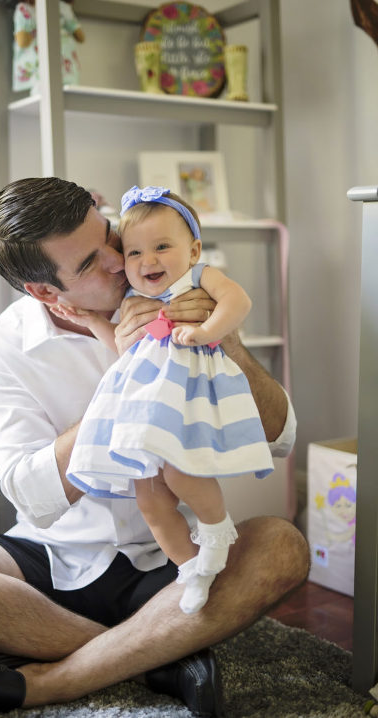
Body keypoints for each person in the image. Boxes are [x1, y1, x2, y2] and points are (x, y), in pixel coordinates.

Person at [0, 177, 309, 718]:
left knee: (283, 546)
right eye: (91, 263)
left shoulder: (179, 295)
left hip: (172, 556)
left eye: (112, 237)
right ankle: (157, 652)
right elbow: (31, 495)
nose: (122, 261)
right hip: (56, 558)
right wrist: (122, 380)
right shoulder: (2, 349)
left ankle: (59, 679)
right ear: (44, 291)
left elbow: (278, 439)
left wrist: (223, 338)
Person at [54, 185, 274, 616]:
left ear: (192, 249)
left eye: (161, 247)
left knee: (180, 472)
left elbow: (238, 300)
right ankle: (192, 567)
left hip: (183, 403)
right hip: (143, 411)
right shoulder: (135, 302)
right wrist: (95, 321)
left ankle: (216, 529)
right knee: (150, 500)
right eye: (134, 252)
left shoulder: (199, 278)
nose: (146, 261)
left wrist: (209, 330)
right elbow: (126, 352)